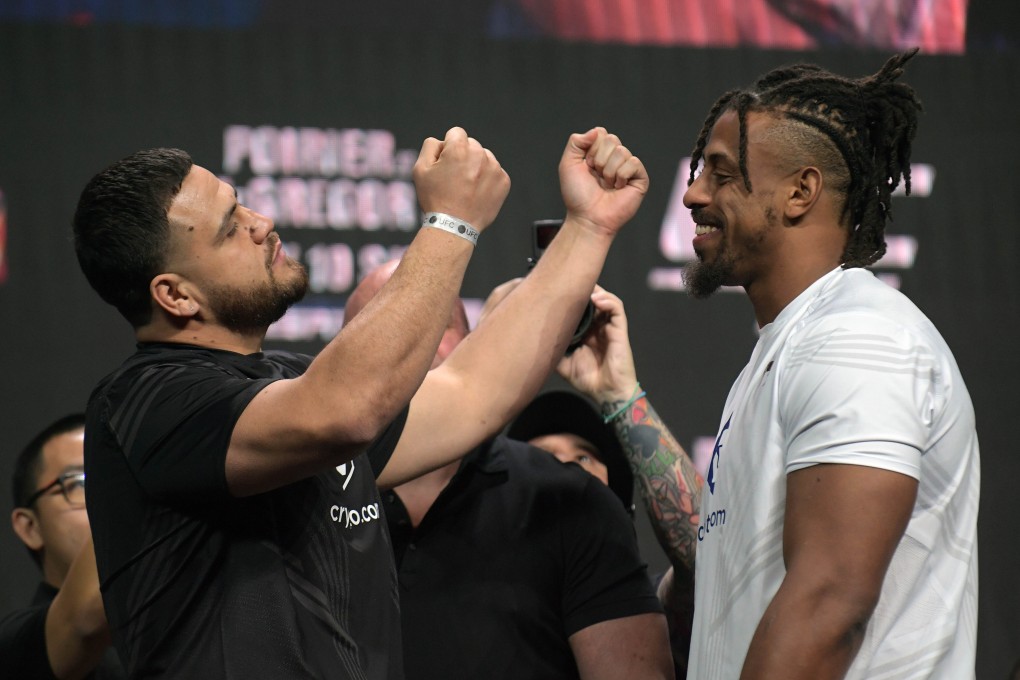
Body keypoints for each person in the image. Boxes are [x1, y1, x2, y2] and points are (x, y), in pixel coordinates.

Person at [71, 125, 649, 679]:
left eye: (242, 204)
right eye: (230, 227)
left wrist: (588, 227)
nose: (261, 222)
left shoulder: (287, 384)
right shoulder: (147, 402)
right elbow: (345, 411)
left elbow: (474, 391)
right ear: (174, 295)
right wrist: (450, 223)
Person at [679, 49, 979, 678]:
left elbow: (830, 602)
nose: (693, 193)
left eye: (722, 173)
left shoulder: (858, 336)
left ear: (800, 191)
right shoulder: (790, 346)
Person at [342, 261, 673, 680]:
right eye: (377, 324)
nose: (408, 340)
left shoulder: (569, 501)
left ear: (470, 346)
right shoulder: (302, 502)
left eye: (433, 321)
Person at [505, 287, 703, 677]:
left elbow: (706, 555)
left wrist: (619, 394)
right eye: (540, 459)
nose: (562, 469)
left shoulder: (645, 611)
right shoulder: (474, 600)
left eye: (582, 457)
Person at [1, 414, 125, 679]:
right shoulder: (12, 645)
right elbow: (84, 621)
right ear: (30, 527)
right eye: (79, 483)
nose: (101, 495)